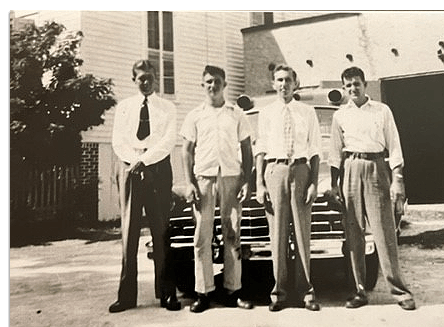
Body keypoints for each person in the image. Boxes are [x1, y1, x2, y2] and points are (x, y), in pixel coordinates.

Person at [329, 66, 417, 310]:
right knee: (354, 233)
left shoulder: (382, 110)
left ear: (364, 84)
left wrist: (397, 178)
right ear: (344, 89)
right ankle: (359, 291)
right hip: (350, 169)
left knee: (384, 232)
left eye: (356, 84)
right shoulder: (340, 116)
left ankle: (399, 292)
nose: (352, 89)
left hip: (377, 166)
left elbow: (395, 145)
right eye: (347, 86)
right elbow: (335, 153)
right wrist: (335, 185)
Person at [180, 65, 255, 312]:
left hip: (231, 177)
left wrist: (246, 181)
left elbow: (246, 148)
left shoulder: (236, 114)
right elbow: (187, 151)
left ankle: (233, 290)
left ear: (225, 84)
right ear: (203, 85)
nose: (213, 86)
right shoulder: (195, 115)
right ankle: (203, 292)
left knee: (232, 233)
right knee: (203, 235)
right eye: (209, 82)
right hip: (204, 178)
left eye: (217, 81)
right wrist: (189, 182)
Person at [109, 60, 181, 313]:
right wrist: (134, 162)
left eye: (150, 77)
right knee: (128, 233)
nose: (146, 82)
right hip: (129, 168)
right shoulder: (125, 107)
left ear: (156, 78)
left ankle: (167, 294)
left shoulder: (167, 108)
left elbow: (168, 140)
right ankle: (126, 297)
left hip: (157, 168)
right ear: (134, 80)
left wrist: (144, 161)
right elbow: (117, 140)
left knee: (161, 232)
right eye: (141, 78)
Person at [255, 64, 321, 312]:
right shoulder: (266, 113)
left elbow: (315, 150)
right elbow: (260, 149)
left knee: (303, 235)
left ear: (296, 84)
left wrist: (314, 181)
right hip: (275, 171)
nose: (283, 84)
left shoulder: (307, 111)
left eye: (288, 80)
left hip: (301, 171)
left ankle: (307, 292)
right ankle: (279, 292)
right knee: (278, 235)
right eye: (279, 80)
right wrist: (260, 183)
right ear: (273, 84)